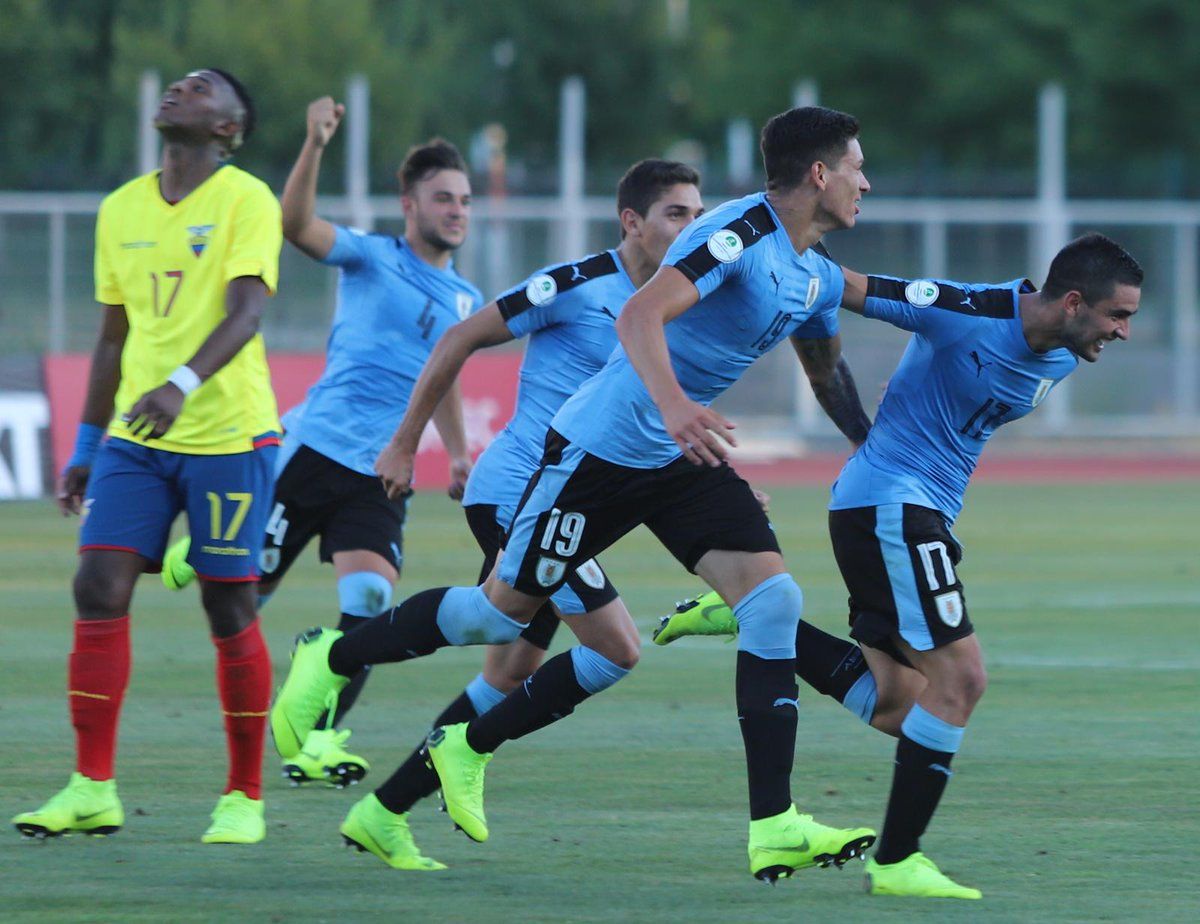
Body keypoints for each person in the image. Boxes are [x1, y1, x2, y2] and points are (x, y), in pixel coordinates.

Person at [271, 106, 880, 881]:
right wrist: (673, 409)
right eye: (858, 166)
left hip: (672, 460)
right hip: (586, 457)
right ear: (820, 174)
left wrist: (872, 446)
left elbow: (826, 371)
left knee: (769, 604)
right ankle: (337, 656)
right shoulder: (732, 238)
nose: (868, 180)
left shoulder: (814, 272)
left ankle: (775, 824)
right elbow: (635, 316)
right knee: (500, 617)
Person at [653, 232, 1144, 898]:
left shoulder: (1061, 353)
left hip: (907, 512)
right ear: (1074, 302)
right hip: (892, 505)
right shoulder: (962, 308)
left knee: (899, 707)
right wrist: (758, 255)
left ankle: (760, 617)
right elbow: (846, 284)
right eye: (1119, 316)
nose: (1124, 332)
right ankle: (896, 862)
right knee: (962, 678)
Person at [328, 158, 705, 869]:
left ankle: (382, 812)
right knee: (615, 647)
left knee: (505, 672)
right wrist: (407, 442)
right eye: (678, 214)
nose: (692, 228)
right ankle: (338, 658)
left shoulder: (673, 306)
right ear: (633, 222)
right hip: (519, 493)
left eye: (698, 213)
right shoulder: (575, 284)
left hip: (572, 503)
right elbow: (457, 339)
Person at [159, 96, 481, 786]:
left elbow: (445, 374)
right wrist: (314, 142)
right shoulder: (372, 256)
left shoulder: (466, 302)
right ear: (410, 205)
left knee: (368, 604)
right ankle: (211, 544)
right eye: (444, 198)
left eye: (464, 200)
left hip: (381, 472)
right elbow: (295, 224)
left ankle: (320, 736)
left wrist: (455, 451)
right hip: (313, 452)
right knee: (242, 602)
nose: (457, 210)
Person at [12, 69, 283, 844]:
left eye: (201, 89)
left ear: (229, 130)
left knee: (227, 604)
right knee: (97, 584)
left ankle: (243, 796)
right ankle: (91, 786)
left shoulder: (246, 200)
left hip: (228, 435)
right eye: (177, 84)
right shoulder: (119, 208)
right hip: (137, 438)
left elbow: (249, 312)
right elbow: (110, 338)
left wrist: (182, 384)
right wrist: (89, 445)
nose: (178, 90)